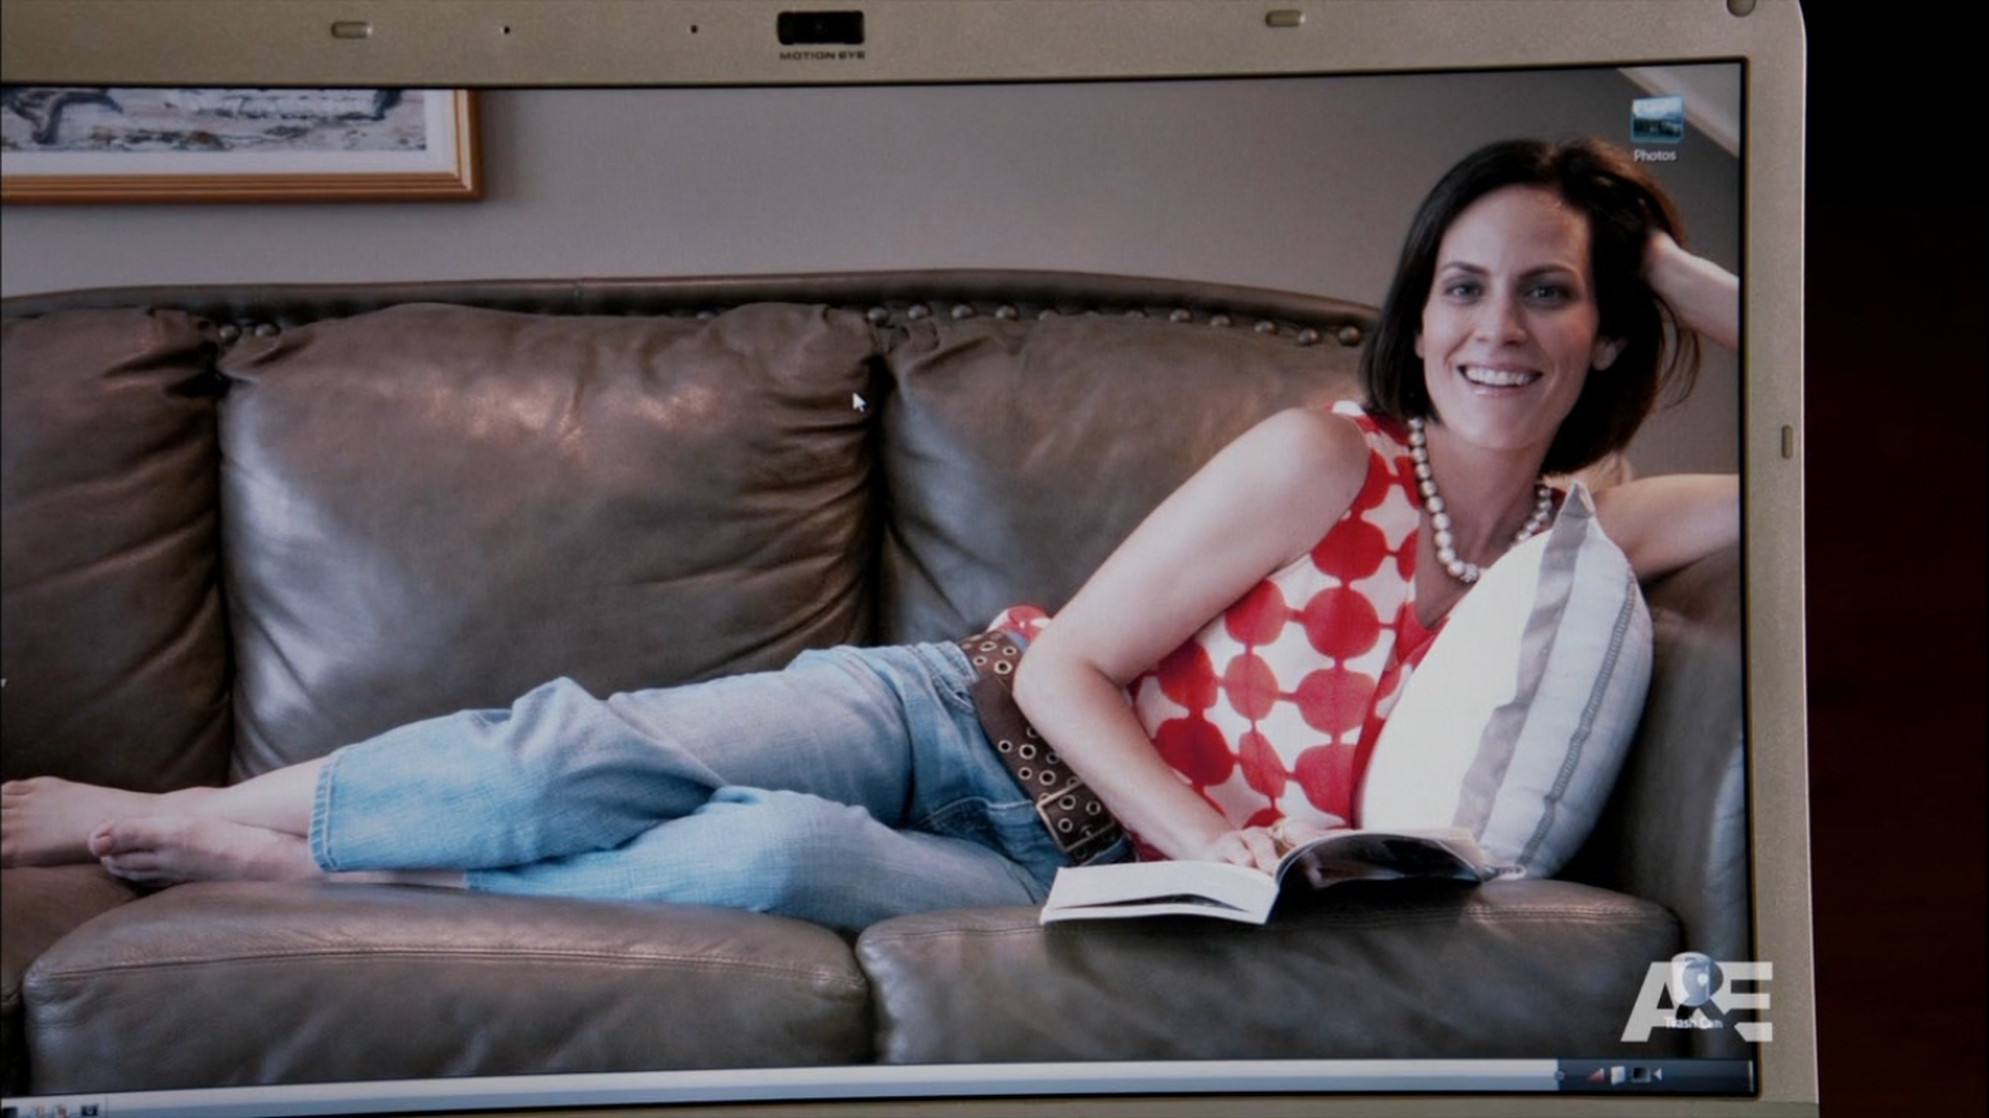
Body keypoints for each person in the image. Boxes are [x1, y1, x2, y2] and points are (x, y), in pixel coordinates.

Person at [0, 138, 1741, 932]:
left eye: (1547, 292)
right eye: (1459, 286)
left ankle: (331, 872)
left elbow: (1817, 456)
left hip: (1071, 879)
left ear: (1606, 334)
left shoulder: (1578, 547)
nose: (1493, 328)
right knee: (595, 757)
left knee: (770, 865)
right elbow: (1064, 668)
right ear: (1415, 314)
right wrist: (1215, 842)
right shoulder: (1320, 459)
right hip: (959, 720)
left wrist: (1665, 259)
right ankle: (167, 812)